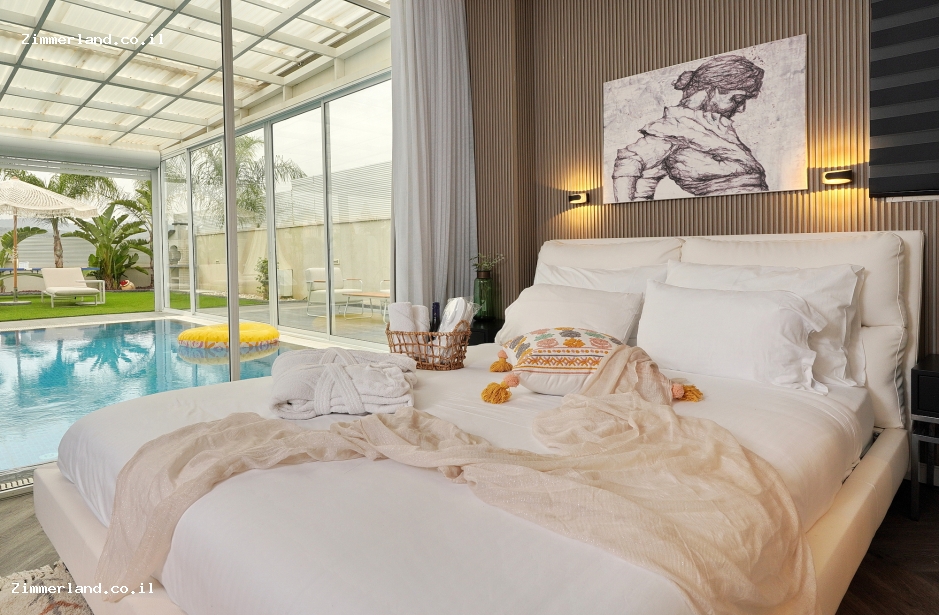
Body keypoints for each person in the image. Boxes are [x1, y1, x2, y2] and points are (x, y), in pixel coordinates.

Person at [611, 54, 769, 202]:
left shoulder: (714, 126)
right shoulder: (675, 127)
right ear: (711, 90)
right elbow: (628, 162)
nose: (741, 109)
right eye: (737, 99)